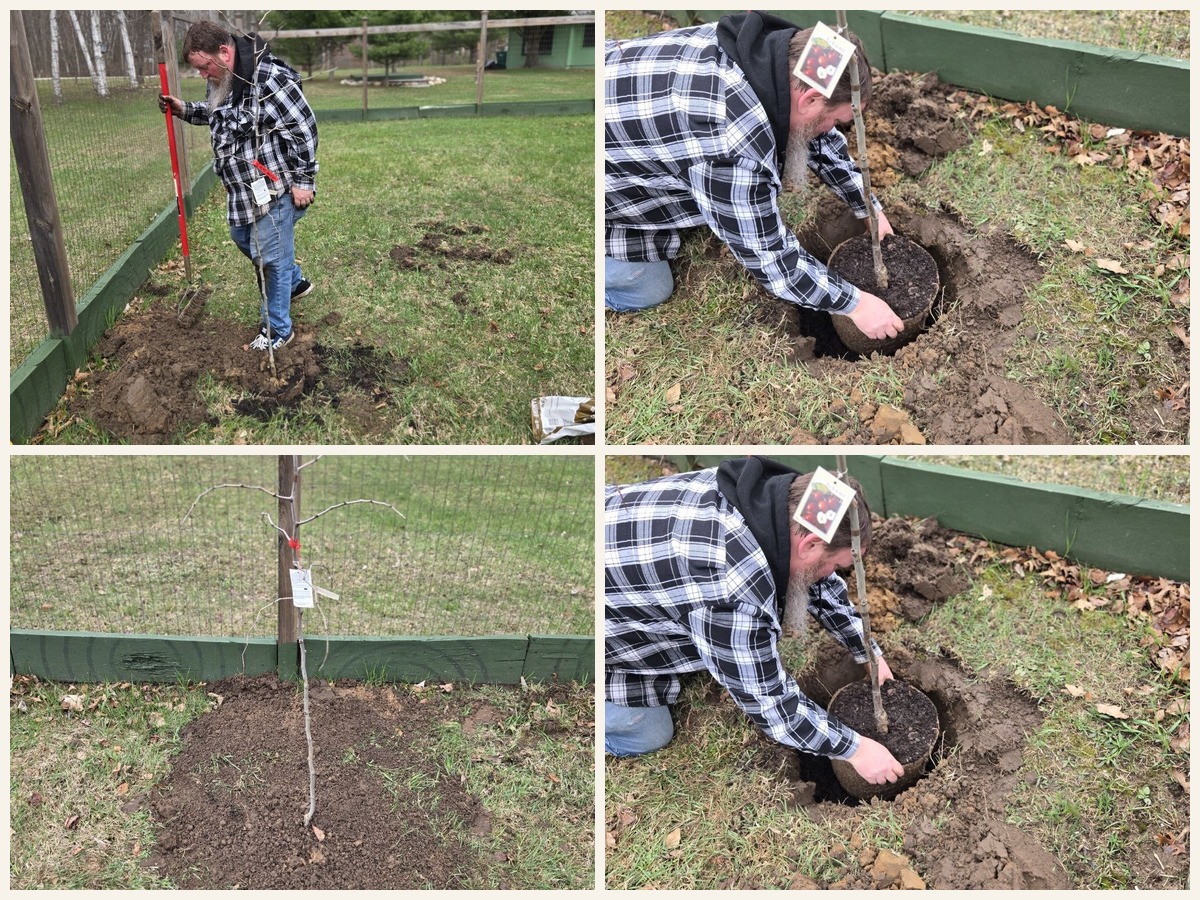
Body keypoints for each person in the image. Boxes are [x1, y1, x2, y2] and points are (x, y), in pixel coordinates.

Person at [605, 456, 905, 787]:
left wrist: (866, 651)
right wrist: (857, 750)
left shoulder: (764, 499)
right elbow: (772, 705)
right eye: (834, 565)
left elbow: (817, 580)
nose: (832, 574)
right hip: (606, 632)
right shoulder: (731, 594)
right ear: (809, 544)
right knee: (648, 733)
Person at [604, 12, 903, 341]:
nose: (833, 129)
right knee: (649, 288)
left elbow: (818, 136)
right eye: (834, 120)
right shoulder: (731, 148)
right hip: (607, 190)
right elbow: (772, 259)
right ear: (810, 99)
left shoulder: (763, 54)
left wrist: (866, 205)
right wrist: (856, 305)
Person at [159, 21, 318, 352]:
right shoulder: (223, 77)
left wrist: (303, 182)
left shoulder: (270, 79)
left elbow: (304, 129)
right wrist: (184, 110)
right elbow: (218, 115)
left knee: (270, 259)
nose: (203, 75)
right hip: (243, 193)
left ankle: (277, 331)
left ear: (224, 52)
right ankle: (294, 282)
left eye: (204, 67)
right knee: (243, 239)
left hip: (275, 189)